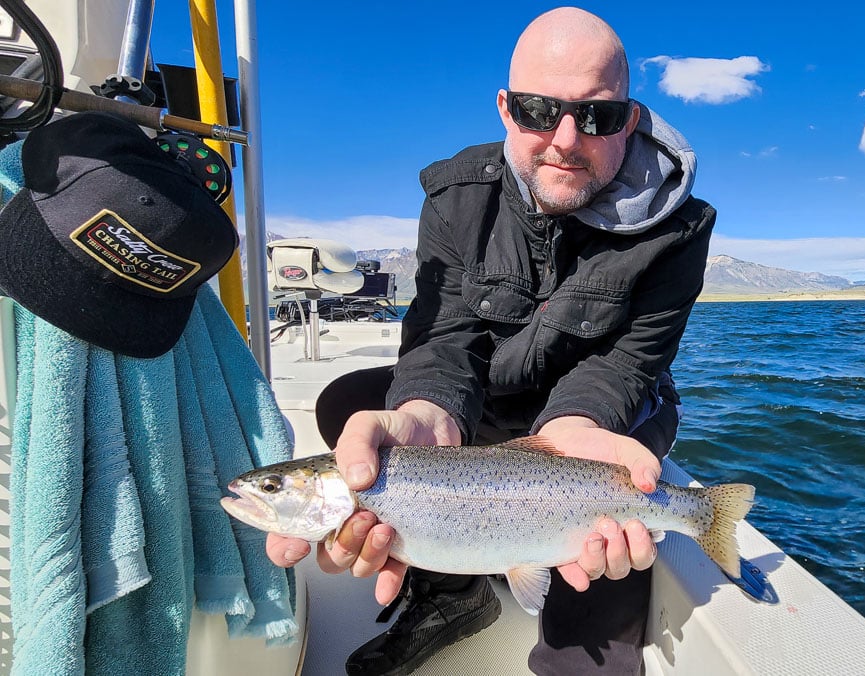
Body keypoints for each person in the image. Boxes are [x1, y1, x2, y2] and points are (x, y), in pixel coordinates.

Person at [265, 7, 715, 675]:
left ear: (628, 119)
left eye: (594, 117)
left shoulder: (679, 228)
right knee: (352, 403)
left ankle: (579, 643)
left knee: (595, 584)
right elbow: (445, 333)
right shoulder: (454, 197)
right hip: (495, 399)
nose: (564, 139)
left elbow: (630, 361)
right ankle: (452, 592)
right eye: (539, 110)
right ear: (506, 109)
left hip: (609, 417)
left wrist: (571, 432)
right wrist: (425, 410)